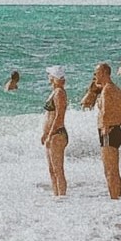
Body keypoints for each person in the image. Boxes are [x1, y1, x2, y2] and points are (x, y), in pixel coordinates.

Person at [89, 62, 121, 198]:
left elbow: (104, 110)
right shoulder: (115, 89)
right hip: (115, 129)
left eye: (96, 73)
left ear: (103, 73)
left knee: (110, 171)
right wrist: (118, 123)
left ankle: (115, 200)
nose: (94, 76)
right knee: (113, 170)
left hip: (108, 131)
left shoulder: (107, 90)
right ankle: (117, 199)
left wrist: (105, 126)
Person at [40, 66, 69, 197]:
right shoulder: (55, 91)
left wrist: (50, 133)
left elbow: (59, 116)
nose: (48, 77)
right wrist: (45, 133)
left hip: (57, 134)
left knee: (58, 170)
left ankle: (62, 197)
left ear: (54, 77)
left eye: (50, 75)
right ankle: (57, 197)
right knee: (52, 170)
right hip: (53, 134)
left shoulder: (59, 93)